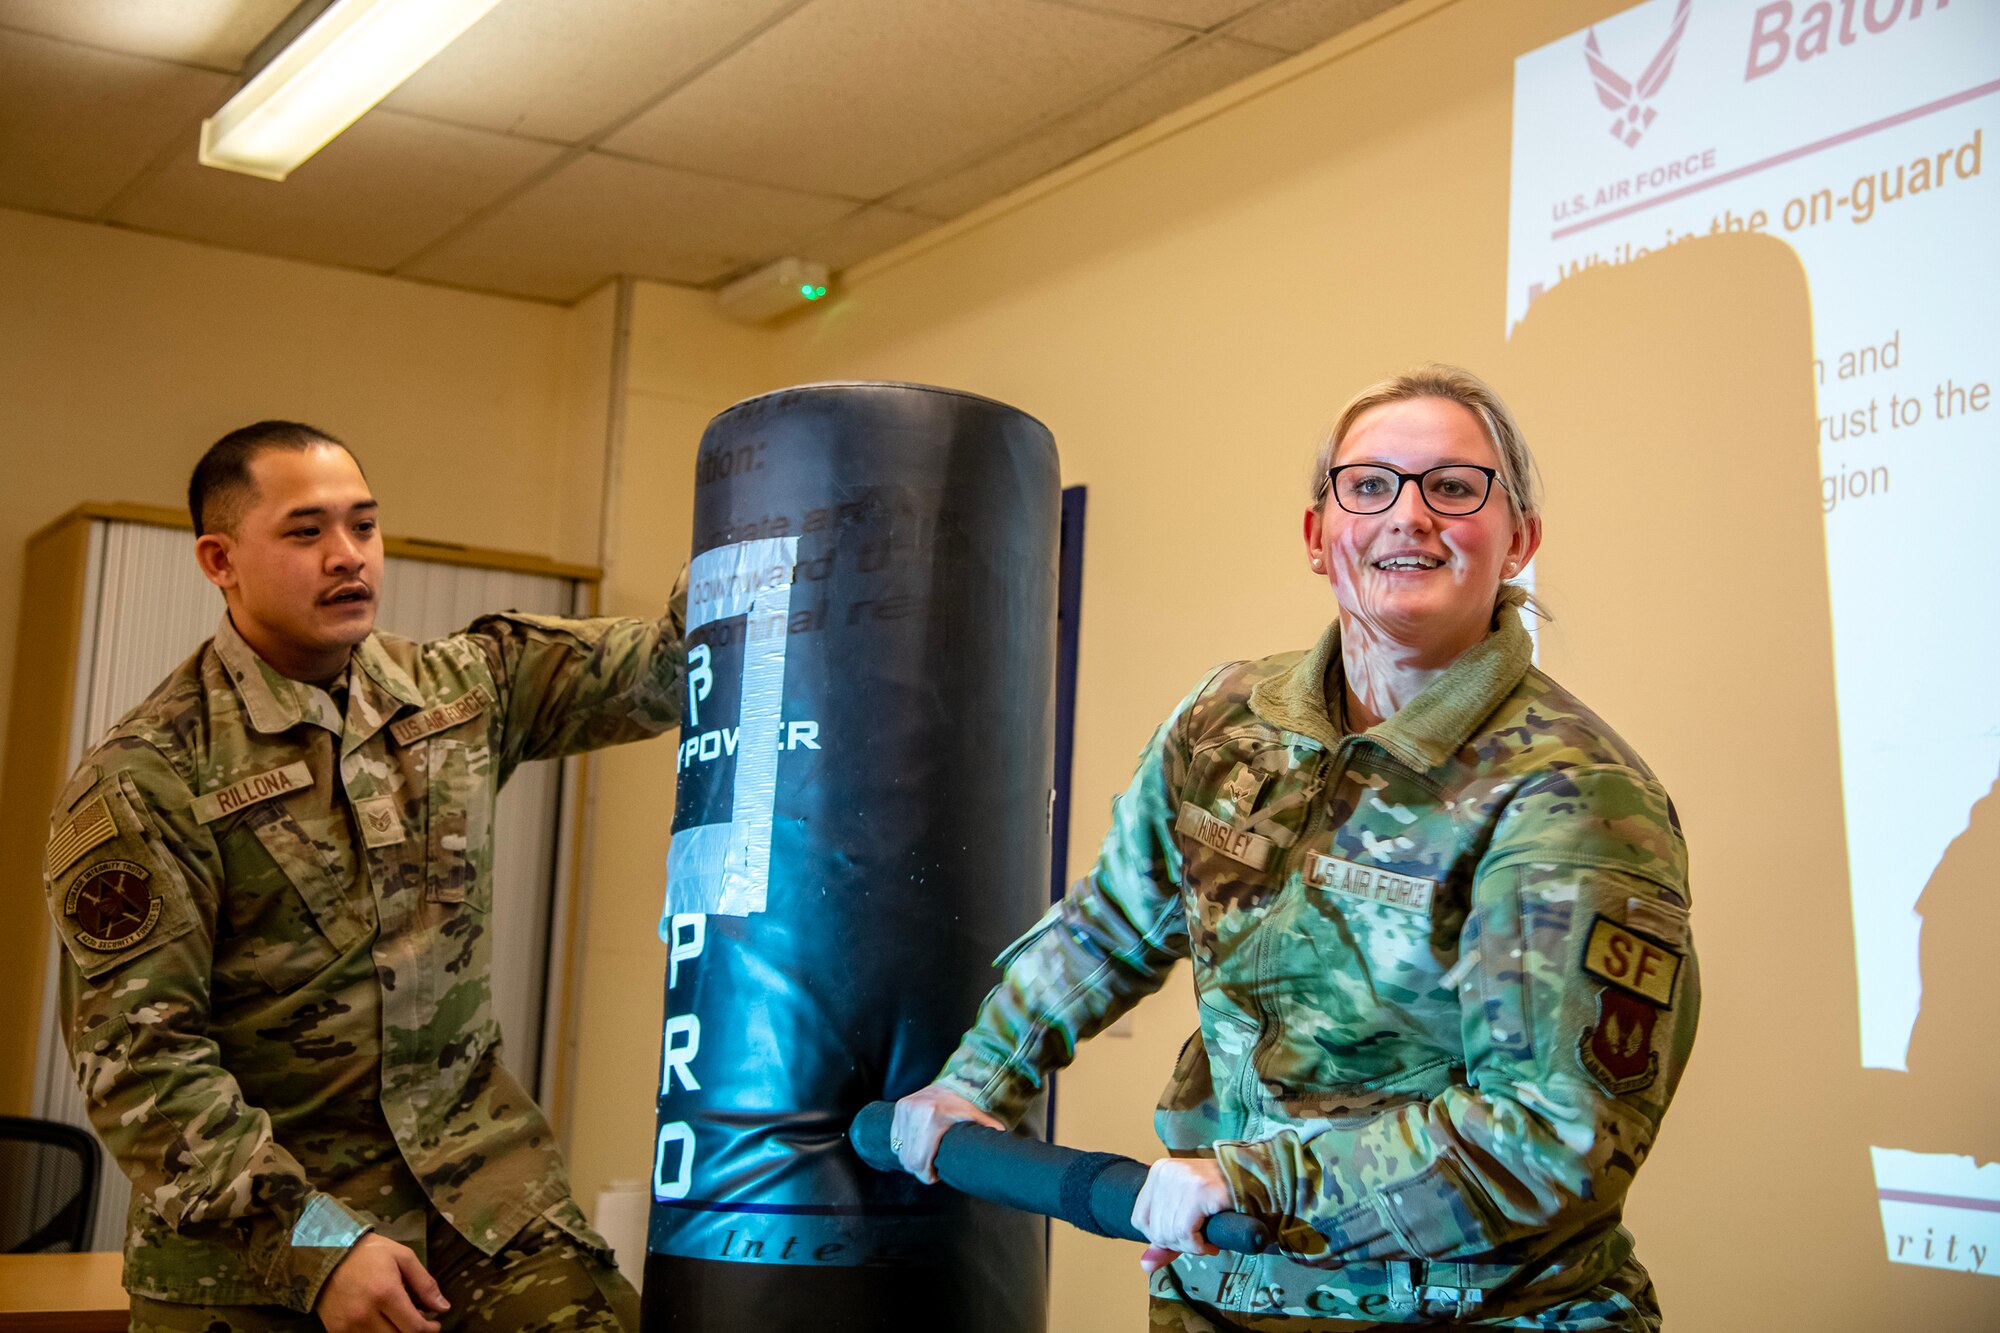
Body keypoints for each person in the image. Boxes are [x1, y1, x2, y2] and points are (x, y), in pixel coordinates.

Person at [893, 367, 1699, 1330]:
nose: (1409, 515)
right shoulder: (1225, 719)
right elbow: (1113, 923)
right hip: (1223, 1293)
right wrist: (975, 1079)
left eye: (1453, 486)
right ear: (1320, 535)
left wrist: (1256, 1182)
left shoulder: (1571, 790)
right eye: (1369, 485)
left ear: (1518, 537)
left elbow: (1549, 1136)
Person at [42, 421, 685, 1333]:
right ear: (220, 559)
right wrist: (318, 1244)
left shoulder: (462, 688)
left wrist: (774, 525)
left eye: (364, 526)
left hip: (482, 1208)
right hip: (262, 1242)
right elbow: (144, 1073)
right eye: (306, 532)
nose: (348, 558)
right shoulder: (149, 775)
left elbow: (672, 663)